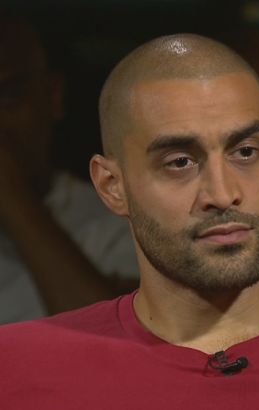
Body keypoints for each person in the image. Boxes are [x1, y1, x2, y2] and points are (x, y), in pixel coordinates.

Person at [0, 33, 259, 409]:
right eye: (180, 162)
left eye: (245, 152)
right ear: (112, 186)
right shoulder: (19, 368)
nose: (222, 193)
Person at [0, 12, 137, 324]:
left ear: (53, 96)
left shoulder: (119, 223)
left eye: (8, 97)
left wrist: (12, 197)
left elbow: (110, 341)